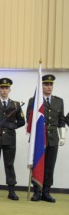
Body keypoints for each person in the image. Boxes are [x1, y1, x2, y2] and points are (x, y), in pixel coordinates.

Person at [0, 78, 25, 200]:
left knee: (9, 164)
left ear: (10, 90)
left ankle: (11, 190)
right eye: (2, 88)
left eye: (6, 88)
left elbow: (22, 121)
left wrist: (11, 125)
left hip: (10, 139)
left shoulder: (16, 105)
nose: (4, 90)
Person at [27, 74, 66, 202]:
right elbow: (30, 120)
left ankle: (46, 192)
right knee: (38, 163)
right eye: (46, 84)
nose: (49, 87)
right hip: (39, 138)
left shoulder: (58, 101)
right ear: (41, 85)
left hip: (53, 138)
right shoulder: (34, 101)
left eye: (51, 84)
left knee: (50, 166)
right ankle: (37, 191)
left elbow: (61, 121)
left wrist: (63, 137)